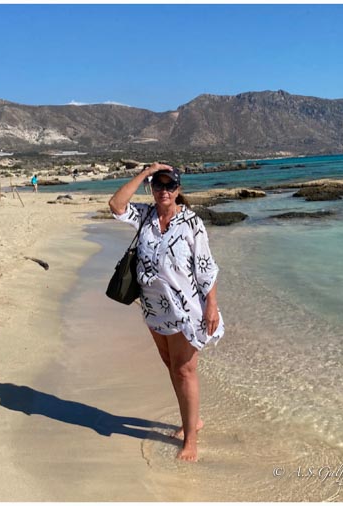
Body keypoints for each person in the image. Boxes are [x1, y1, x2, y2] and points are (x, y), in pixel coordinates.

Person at [108, 162, 224, 463]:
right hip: (152, 308)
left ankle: (191, 440)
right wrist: (145, 172)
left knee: (185, 371)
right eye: (157, 185)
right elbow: (116, 204)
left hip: (185, 309)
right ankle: (192, 422)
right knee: (172, 367)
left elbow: (206, 267)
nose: (163, 190)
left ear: (178, 190)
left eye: (169, 185)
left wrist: (212, 304)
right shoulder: (145, 215)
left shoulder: (192, 223)